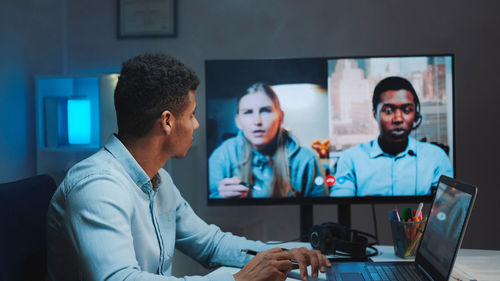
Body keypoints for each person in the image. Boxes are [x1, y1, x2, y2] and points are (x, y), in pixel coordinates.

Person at [46, 54, 331, 281]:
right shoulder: (97, 186)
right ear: (167, 121)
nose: (196, 124)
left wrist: (285, 254)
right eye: (192, 115)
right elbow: (120, 279)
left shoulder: (159, 180)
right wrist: (238, 280)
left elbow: (211, 244)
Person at [330, 76, 453, 197]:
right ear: (375, 114)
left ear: (416, 114)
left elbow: (447, 211)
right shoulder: (350, 159)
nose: (398, 119)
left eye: (407, 110)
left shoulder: (436, 158)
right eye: (388, 111)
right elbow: (341, 207)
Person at [209, 82, 326, 198]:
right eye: (248, 112)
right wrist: (222, 198)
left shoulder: (306, 160)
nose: (257, 121)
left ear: (281, 118)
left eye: (265, 111)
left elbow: (321, 210)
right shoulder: (222, 156)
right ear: (238, 121)